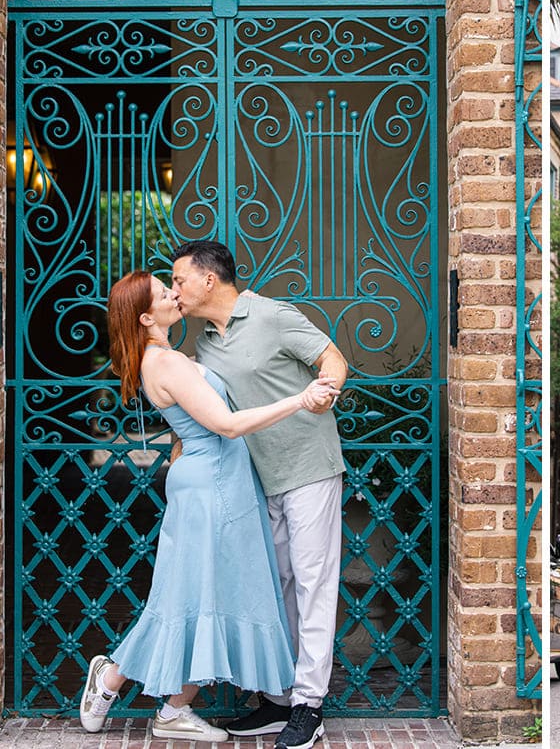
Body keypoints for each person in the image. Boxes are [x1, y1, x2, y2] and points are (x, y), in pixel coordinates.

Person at [79, 271, 337, 741]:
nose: (173, 294)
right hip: (214, 486)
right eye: (163, 292)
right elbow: (227, 424)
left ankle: (164, 702)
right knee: (198, 599)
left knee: (203, 598)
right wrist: (299, 399)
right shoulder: (167, 363)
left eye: (173, 284)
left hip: (216, 483)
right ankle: (123, 681)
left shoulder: (168, 358)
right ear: (145, 316)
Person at [171, 241, 348, 749]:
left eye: (180, 279)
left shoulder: (273, 315)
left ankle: (308, 707)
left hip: (308, 465)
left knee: (314, 585)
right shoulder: (203, 342)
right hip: (254, 477)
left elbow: (332, 359)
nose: (176, 289)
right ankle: (279, 698)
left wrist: (325, 393)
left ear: (209, 279)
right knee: (278, 586)